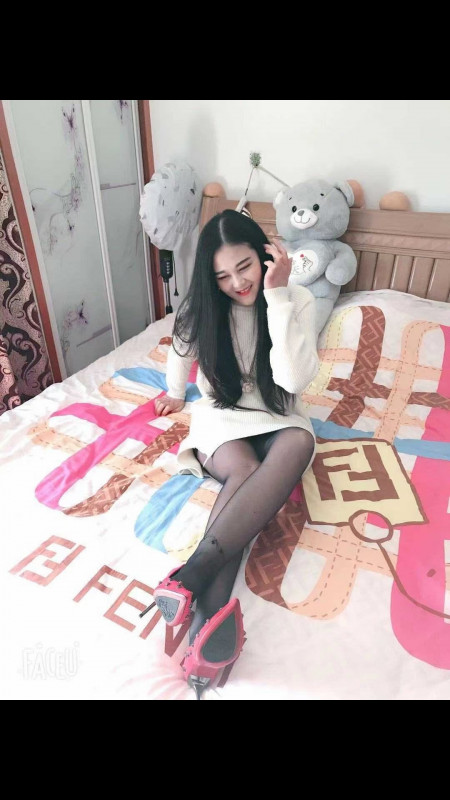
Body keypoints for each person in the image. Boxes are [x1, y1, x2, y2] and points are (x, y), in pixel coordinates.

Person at [141, 209, 319, 699]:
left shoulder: (297, 300)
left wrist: (276, 294)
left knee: (300, 442)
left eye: (245, 267)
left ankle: (189, 578)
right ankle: (203, 628)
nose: (237, 283)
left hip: (278, 415)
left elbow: (293, 380)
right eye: (222, 276)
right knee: (244, 472)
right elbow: (180, 349)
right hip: (223, 416)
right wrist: (174, 394)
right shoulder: (204, 307)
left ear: (265, 256)